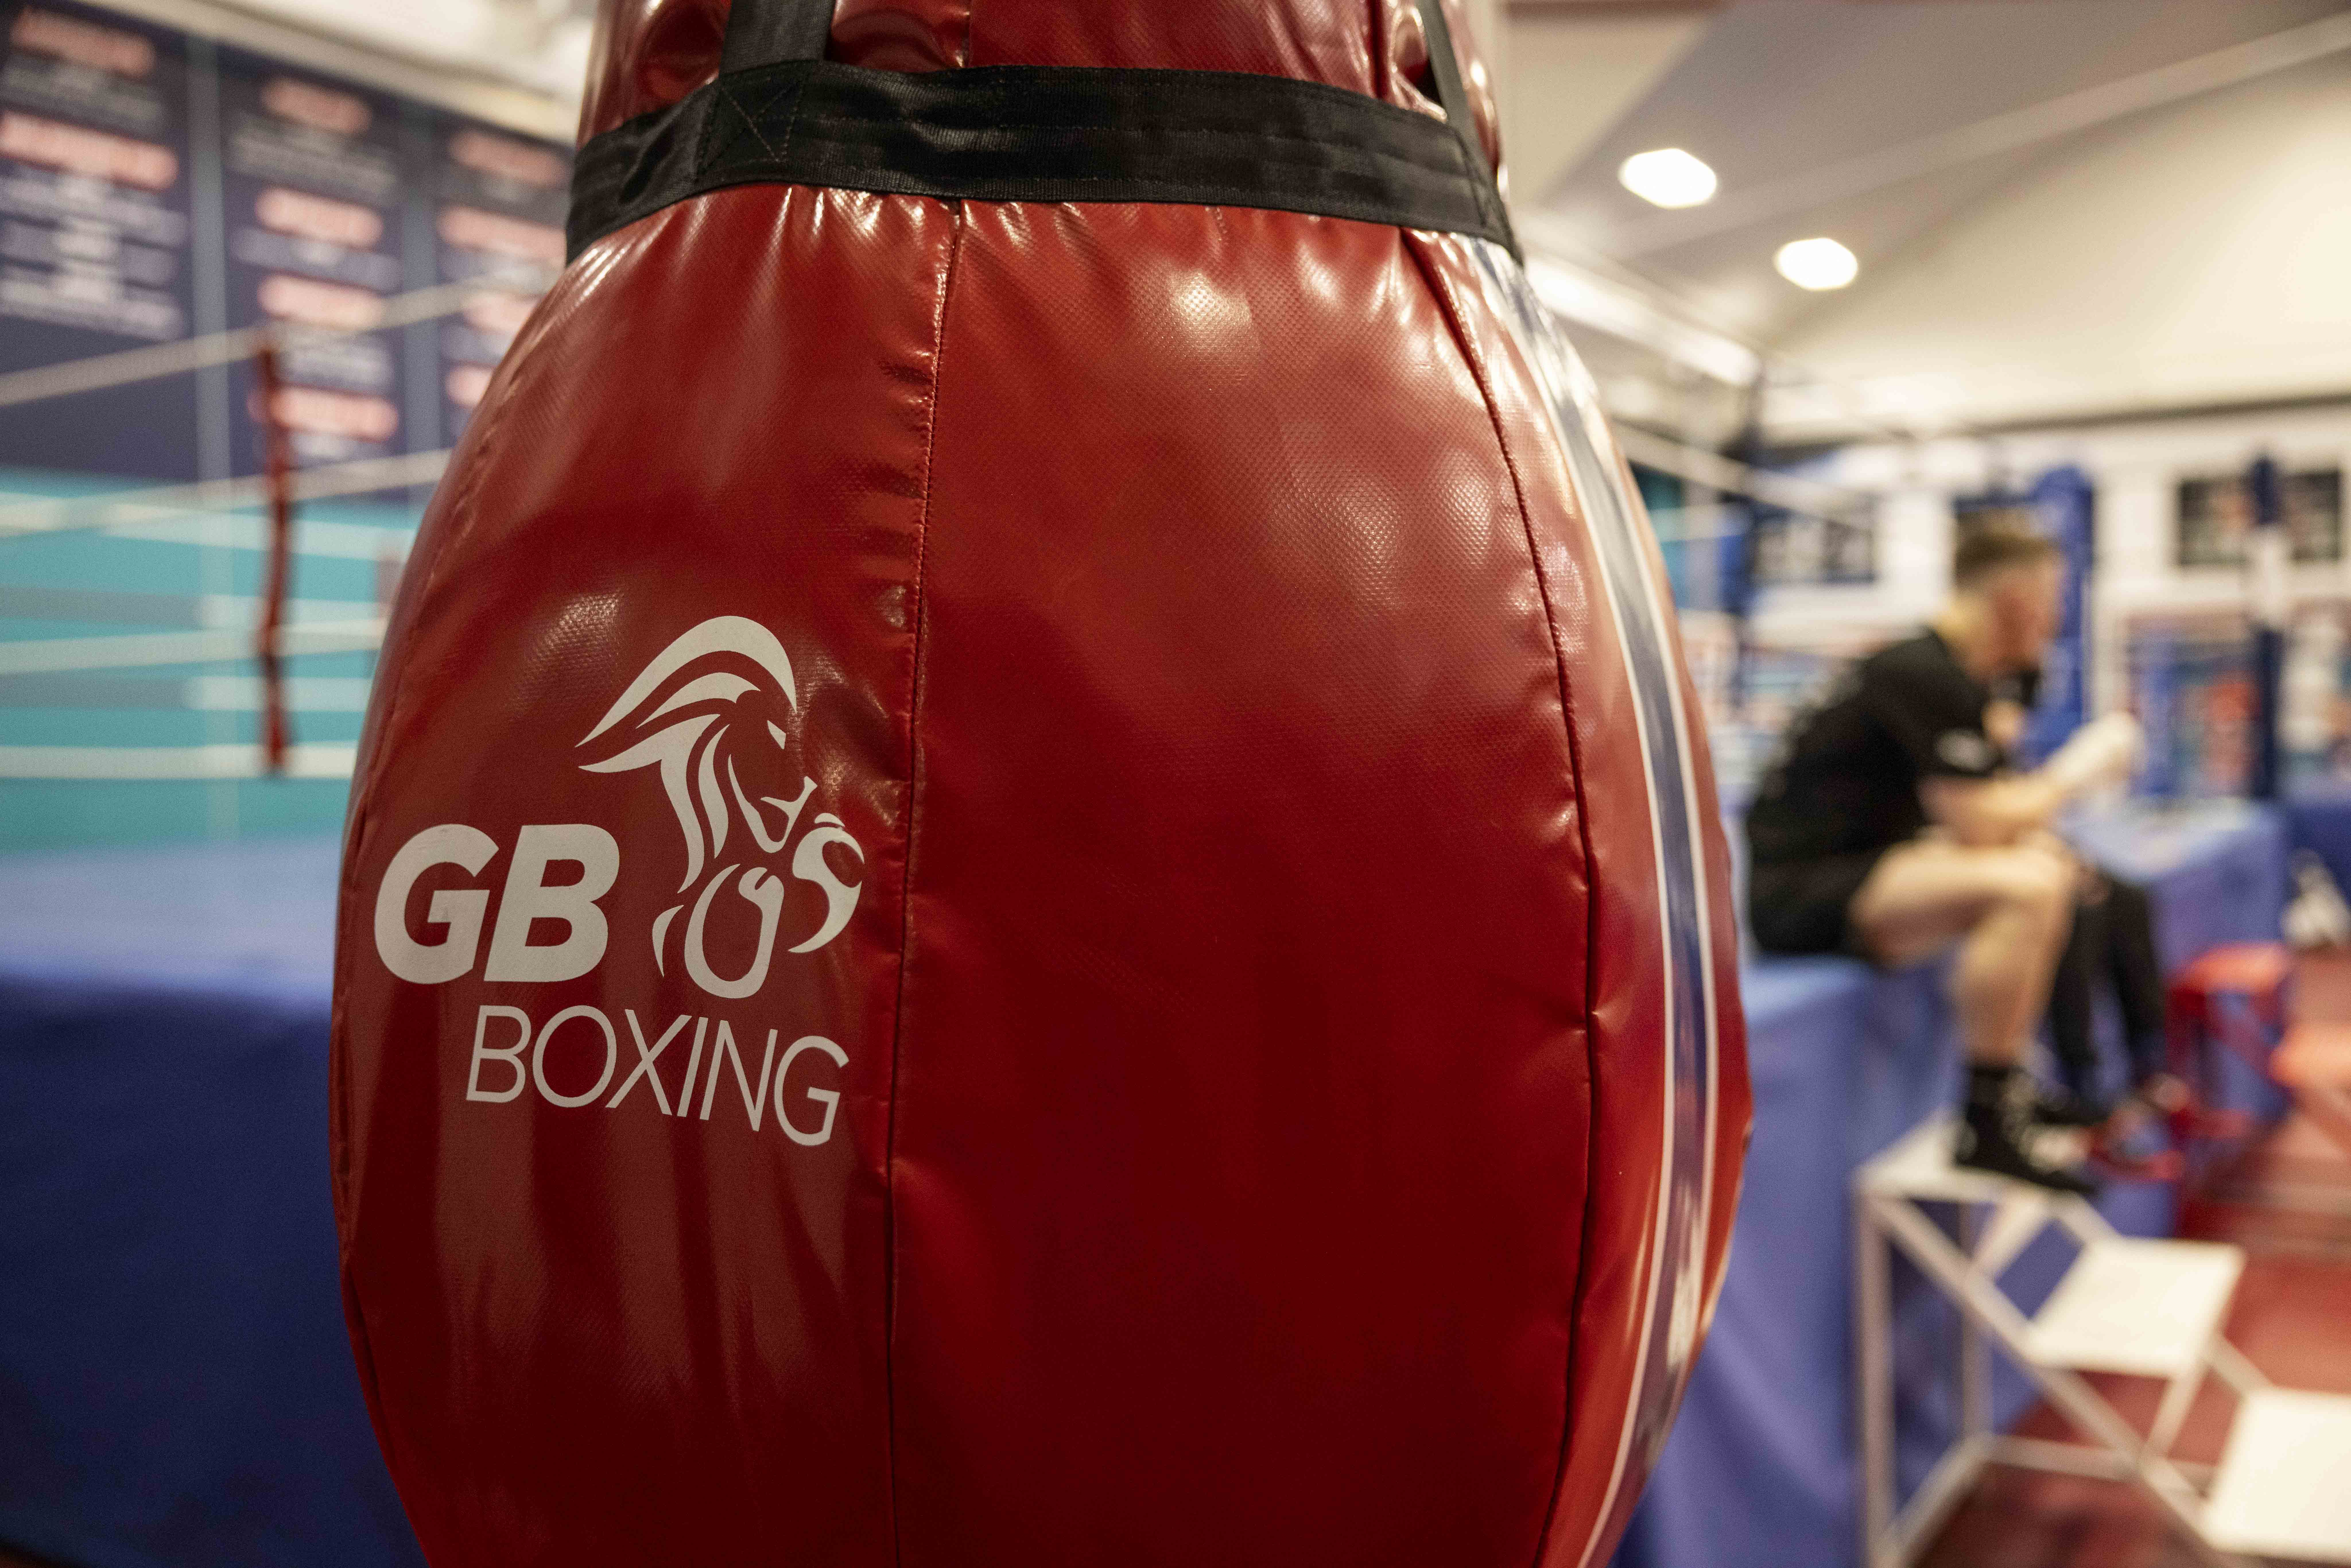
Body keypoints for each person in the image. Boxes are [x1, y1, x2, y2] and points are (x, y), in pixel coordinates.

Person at [1745, 523, 2142, 1192]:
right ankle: (1985, 1121)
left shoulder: (1942, 672)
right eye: (2049, 599)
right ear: (2015, 597)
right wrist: (2080, 770)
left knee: (2050, 867)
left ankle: (2009, 1087)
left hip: (1858, 869)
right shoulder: (1925, 672)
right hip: (1799, 896)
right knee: (2026, 886)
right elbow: (1984, 822)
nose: (2053, 620)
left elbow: (1975, 816)